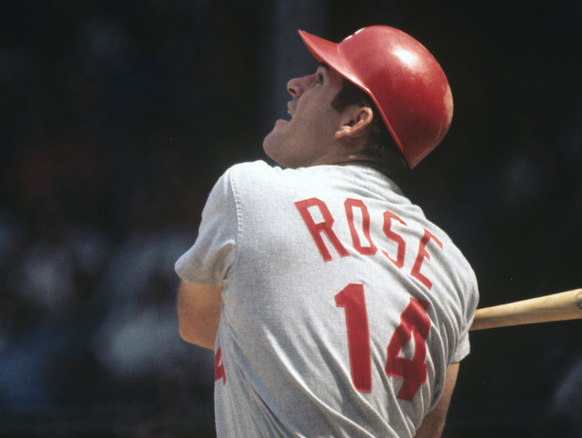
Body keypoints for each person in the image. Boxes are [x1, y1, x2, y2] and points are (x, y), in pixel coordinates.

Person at [174, 25, 479, 437]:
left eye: (319, 79)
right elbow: (427, 433)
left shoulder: (251, 193)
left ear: (354, 121)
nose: (295, 84)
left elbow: (197, 324)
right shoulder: (454, 270)